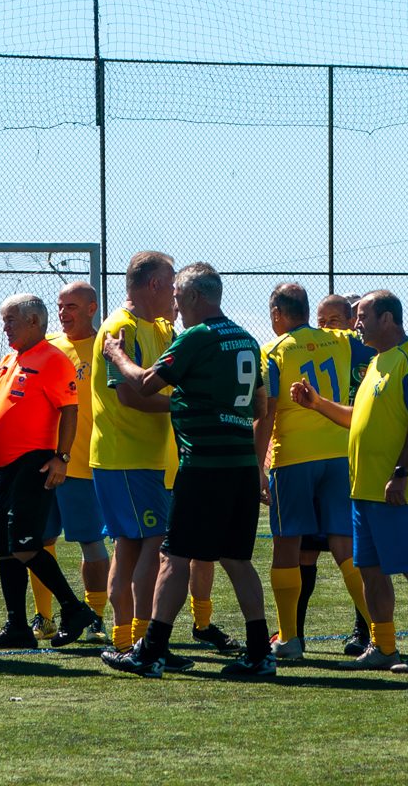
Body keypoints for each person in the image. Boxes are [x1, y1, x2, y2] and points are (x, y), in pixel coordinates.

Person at [101, 263, 275, 678]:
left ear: (196, 296)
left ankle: (151, 650)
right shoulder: (247, 339)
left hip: (203, 466)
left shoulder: (198, 338)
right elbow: (259, 407)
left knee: (174, 557)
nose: (175, 306)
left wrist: (115, 353)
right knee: (237, 559)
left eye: (179, 297)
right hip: (239, 464)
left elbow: (143, 384)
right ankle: (259, 653)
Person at [291, 290, 408, 673]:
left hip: (400, 491)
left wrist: (401, 474)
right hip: (363, 490)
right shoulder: (377, 363)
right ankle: (384, 646)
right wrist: (317, 404)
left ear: (388, 319)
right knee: (371, 572)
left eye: (362, 315)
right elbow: (355, 418)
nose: (355, 322)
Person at [0, 293, 96, 649]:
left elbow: (70, 410)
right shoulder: (10, 359)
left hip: (33, 463)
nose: (5, 327)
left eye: (11, 320)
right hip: (1, 468)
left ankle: (74, 609)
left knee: (25, 543)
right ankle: (17, 625)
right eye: (4, 320)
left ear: (34, 321)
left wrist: (62, 457)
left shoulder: (53, 360)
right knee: (4, 546)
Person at [254, 282, 371, 662]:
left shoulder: (272, 350)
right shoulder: (339, 340)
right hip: (340, 455)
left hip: (294, 459)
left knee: (288, 544)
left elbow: (266, 412)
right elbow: (370, 351)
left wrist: (258, 466)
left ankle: (289, 638)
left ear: (277, 314)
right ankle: (381, 635)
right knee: (344, 546)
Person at [89, 251, 181, 655]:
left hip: (145, 458)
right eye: (172, 282)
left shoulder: (160, 327)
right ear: (155, 285)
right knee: (153, 542)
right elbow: (129, 396)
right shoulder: (119, 328)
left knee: (128, 545)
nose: (177, 290)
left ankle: (126, 639)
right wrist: (185, 406)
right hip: (126, 457)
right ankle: (143, 642)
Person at [29, 281, 111, 643]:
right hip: (47, 465)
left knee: (91, 544)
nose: (63, 313)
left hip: (85, 466)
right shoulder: (48, 350)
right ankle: (43, 617)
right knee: (39, 541)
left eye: (72, 306)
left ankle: (95, 617)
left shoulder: (107, 347)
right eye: (60, 307)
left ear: (92, 308)